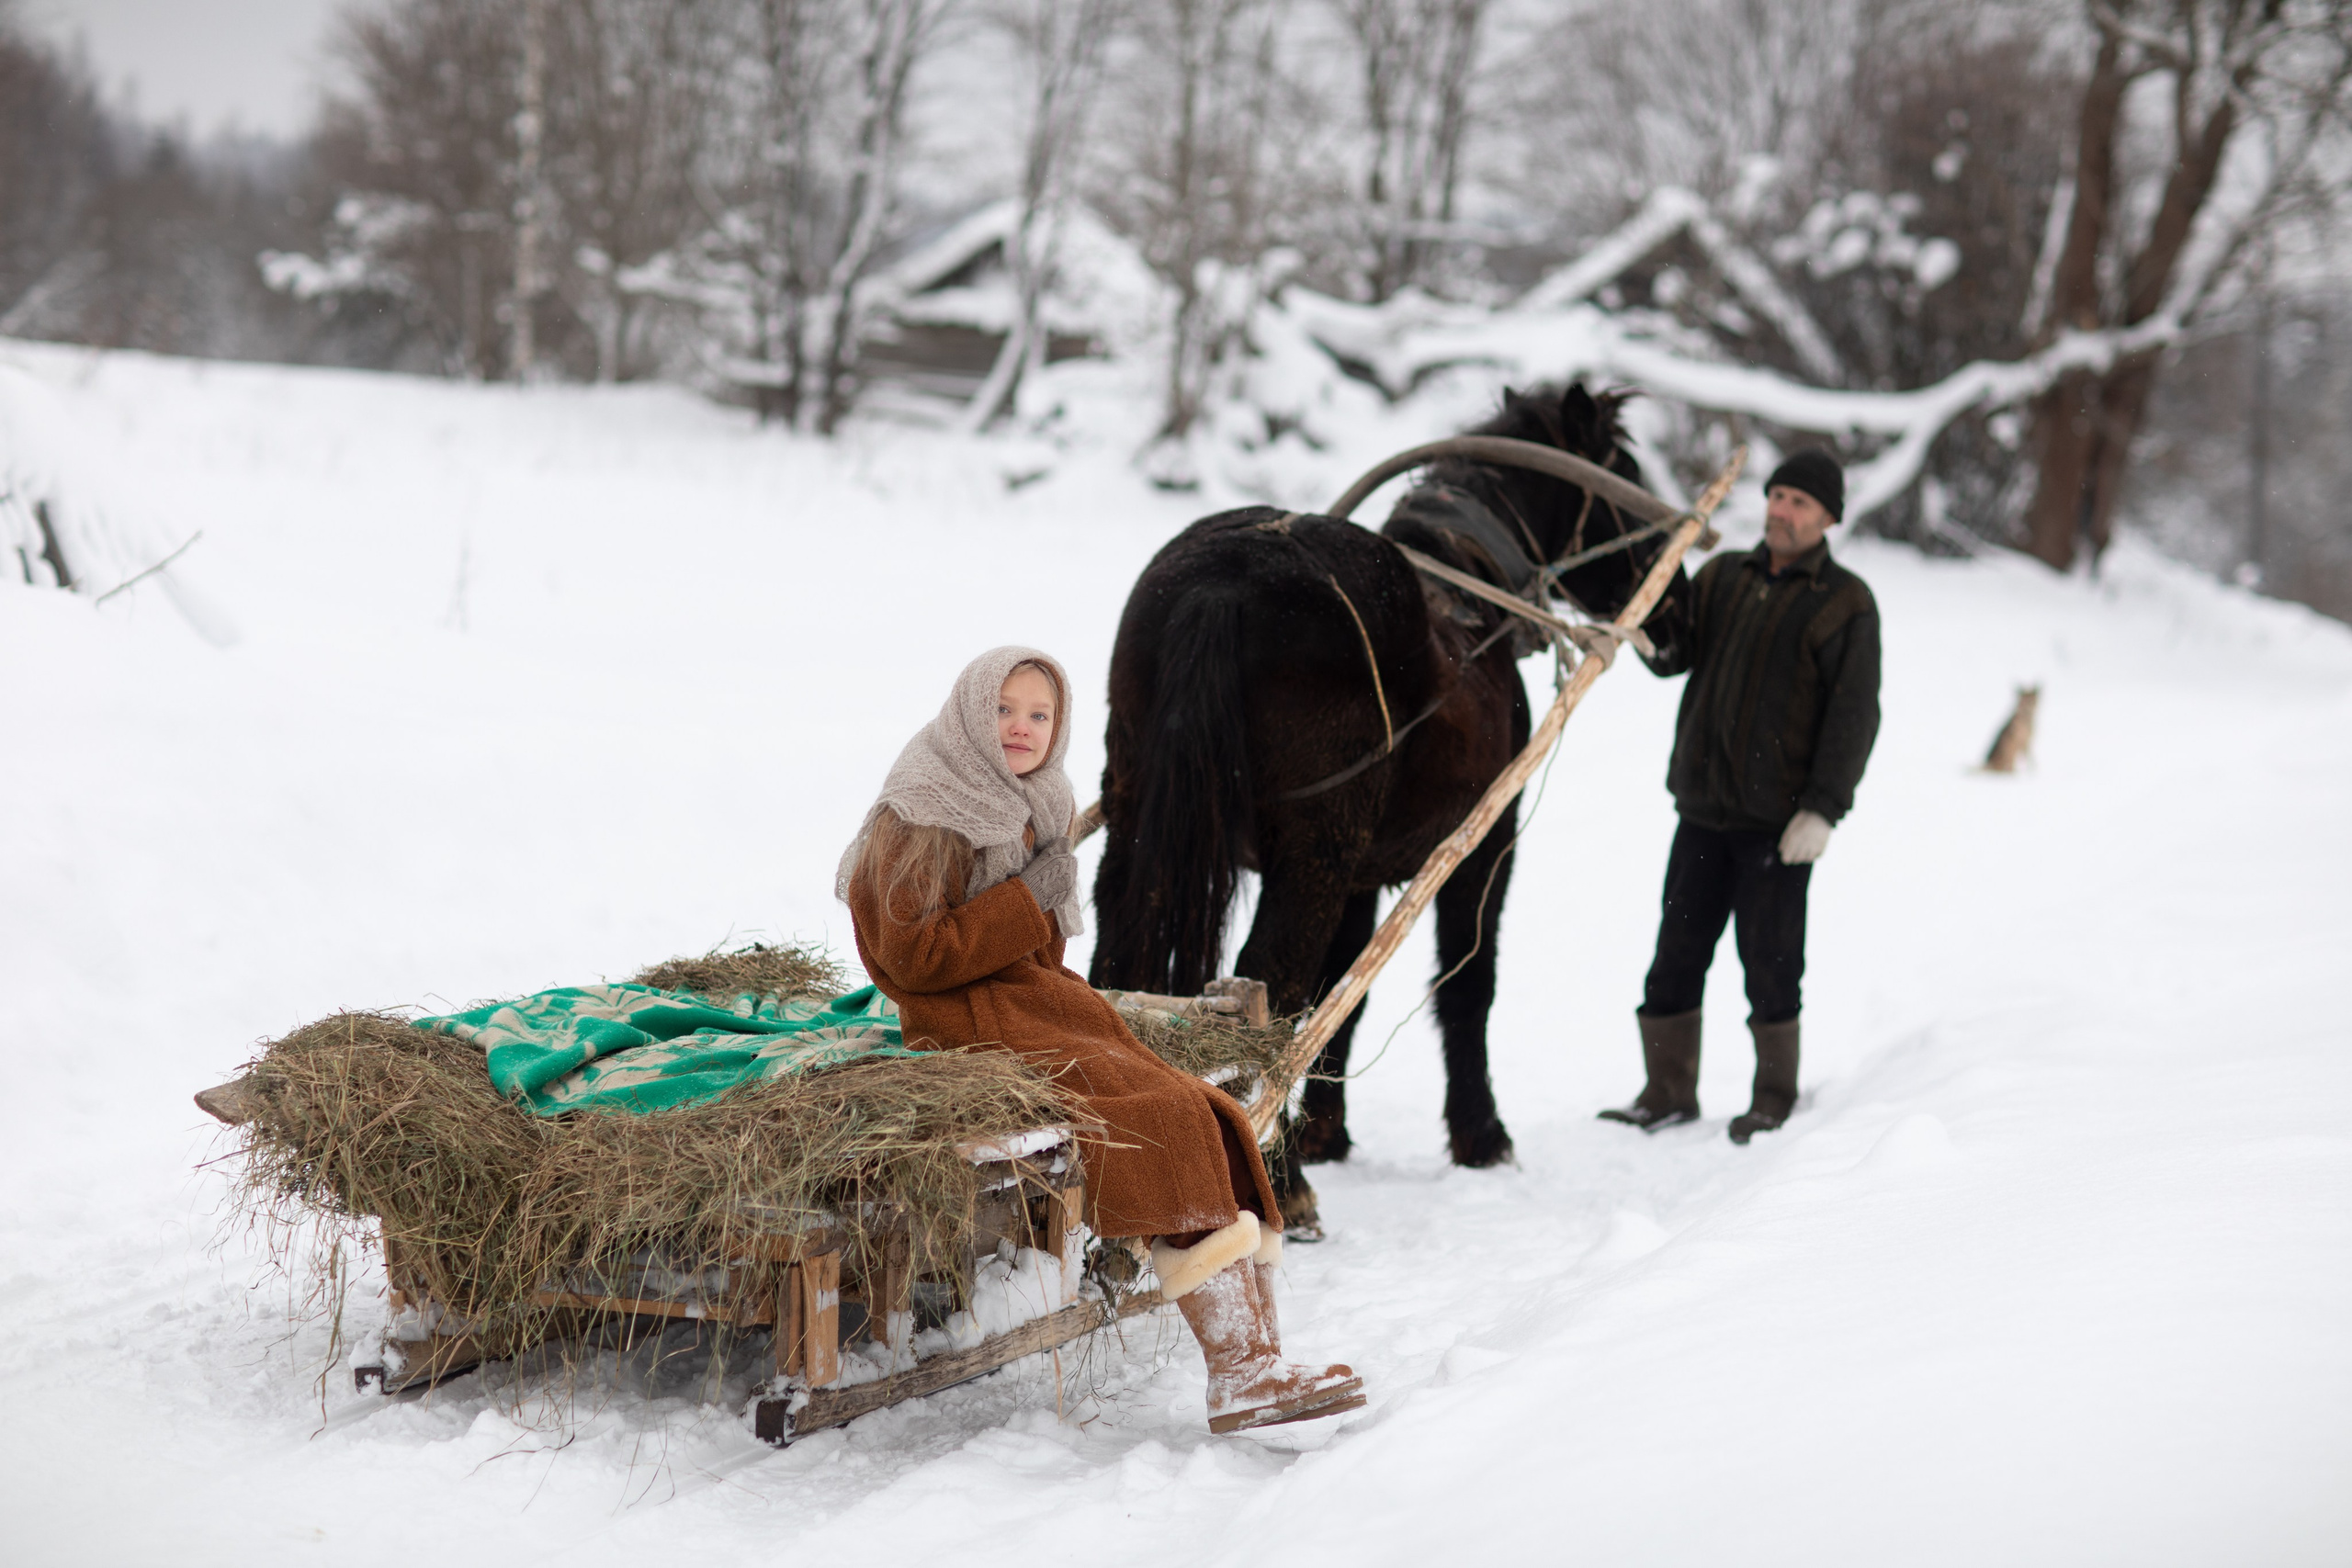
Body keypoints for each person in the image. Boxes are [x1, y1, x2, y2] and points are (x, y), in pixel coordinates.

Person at [839, 646, 1364, 1433]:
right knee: (1158, 1117)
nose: (1021, 728)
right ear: (969, 713)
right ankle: (1239, 1370)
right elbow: (915, 957)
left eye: (1040, 715)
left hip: (1030, 1005)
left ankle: (1260, 1357)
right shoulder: (924, 808)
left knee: (1206, 1108)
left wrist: (1032, 904)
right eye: (1004, 710)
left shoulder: (1029, 799)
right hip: (963, 1023)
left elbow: (1032, 953)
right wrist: (1025, 897)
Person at [1600, 449, 1882, 1144]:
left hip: (1777, 826)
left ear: (1828, 519)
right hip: (1701, 812)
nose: (1783, 511)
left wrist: (1822, 807)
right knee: (1675, 958)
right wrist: (1647, 613)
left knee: (1773, 966)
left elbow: (1855, 714)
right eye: (1778, 495)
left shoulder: (1845, 602)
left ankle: (1772, 1096)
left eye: (1801, 503)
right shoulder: (1724, 575)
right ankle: (1666, 1091)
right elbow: (1673, 657)